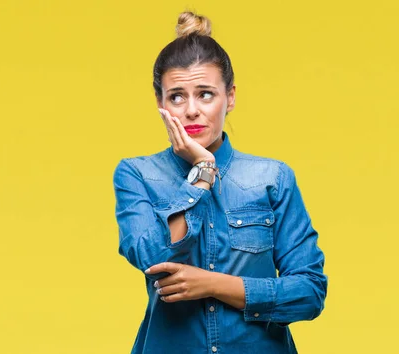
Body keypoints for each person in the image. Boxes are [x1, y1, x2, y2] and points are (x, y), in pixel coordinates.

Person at [112, 11, 328, 354]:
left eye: (206, 94)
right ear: (160, 103)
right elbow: (150, 256)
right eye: (177, 96)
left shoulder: (272, 177)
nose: (191, 110)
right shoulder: (137, 175)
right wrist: (201, 175)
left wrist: (212, 284)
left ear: (230, 97)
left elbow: (309, 293)